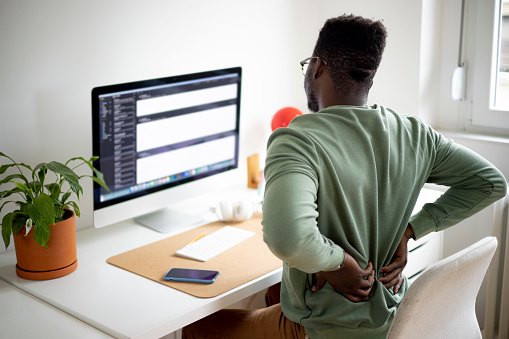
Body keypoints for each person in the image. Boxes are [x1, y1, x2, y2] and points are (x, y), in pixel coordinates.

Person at [183, 14, 507, 339]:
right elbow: (491, 183)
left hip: (324, 329)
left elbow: (286, 235)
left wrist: (337, 265)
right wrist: (410, 230)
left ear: (317, 67)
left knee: (196, 327)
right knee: (274, 292)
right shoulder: (415, 135)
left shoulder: (298, 139)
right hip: (396, 318)